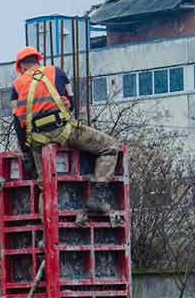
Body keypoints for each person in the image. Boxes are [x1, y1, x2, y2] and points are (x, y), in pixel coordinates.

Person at [10, 46, 121, 213]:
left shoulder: (17, 85)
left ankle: (44, 234)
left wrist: (26, 152)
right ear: (37, 61)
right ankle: (97, 196)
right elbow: (71, 103)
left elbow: (18, 123)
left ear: (21, 66)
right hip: (64, 130)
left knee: (45, 186)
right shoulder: (56, 72)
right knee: (110, 147)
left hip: (38, 139)